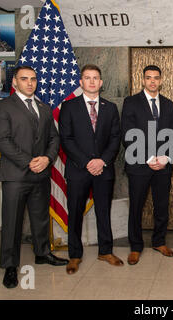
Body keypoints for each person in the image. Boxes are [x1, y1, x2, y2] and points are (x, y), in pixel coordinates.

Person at [0, 65, 68, 289]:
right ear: (15, 82)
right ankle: (10, 266)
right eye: (24, 79)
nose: (30, 83)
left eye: (33, 79)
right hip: (15, 175)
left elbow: (54, 138)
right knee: (12, 222)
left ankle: (42, 253)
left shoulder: (44, 108)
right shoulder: (1, 106)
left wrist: (47, 159)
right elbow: (1, 140)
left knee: (40, 217)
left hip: (41, 173)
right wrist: (29, 161)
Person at [59, 65, 122, 274]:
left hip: (104, 170)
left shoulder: (110, 108)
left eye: (96, 78)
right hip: (78, 169)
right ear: (81, 82)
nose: (92, 81)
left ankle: (106, 251)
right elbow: (66, 139)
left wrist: (101, 161)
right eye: (88, 78)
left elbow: (115, 139)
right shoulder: (69, 107)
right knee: (75, 213)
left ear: (101, 82)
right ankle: (74, 255)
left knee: (104, 211)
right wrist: (88, 162)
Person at [121, 65, 173, 265]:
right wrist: (148, 158)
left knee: (161, 205)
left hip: (163, 166)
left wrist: (164, 157)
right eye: (148, 78)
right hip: (139, 164)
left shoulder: (169, 104)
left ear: (161, 80)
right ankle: (135, 247)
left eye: (156, 78)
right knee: (136, 206)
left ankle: (159, 241)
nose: (152, 81)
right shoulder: (131, 102)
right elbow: (128, 134)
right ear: (143, 80)